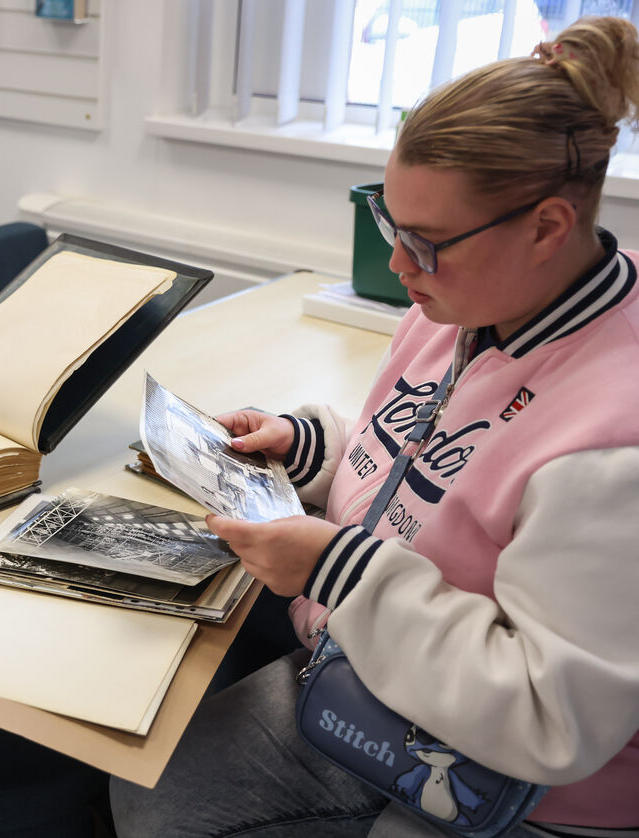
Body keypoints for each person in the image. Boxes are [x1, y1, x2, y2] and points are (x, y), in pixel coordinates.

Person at [111, 15, 639, 838]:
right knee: (145, 753)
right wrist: (312, 447)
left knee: (163, 809)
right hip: (381, 669)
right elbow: (442, 462)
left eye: (425, 244)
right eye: (391, 225)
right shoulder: (467, 303)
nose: (397, 266)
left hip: (514, 785)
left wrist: (340, 570)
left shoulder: (616, 437)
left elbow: (550, 717)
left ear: (546, 228)